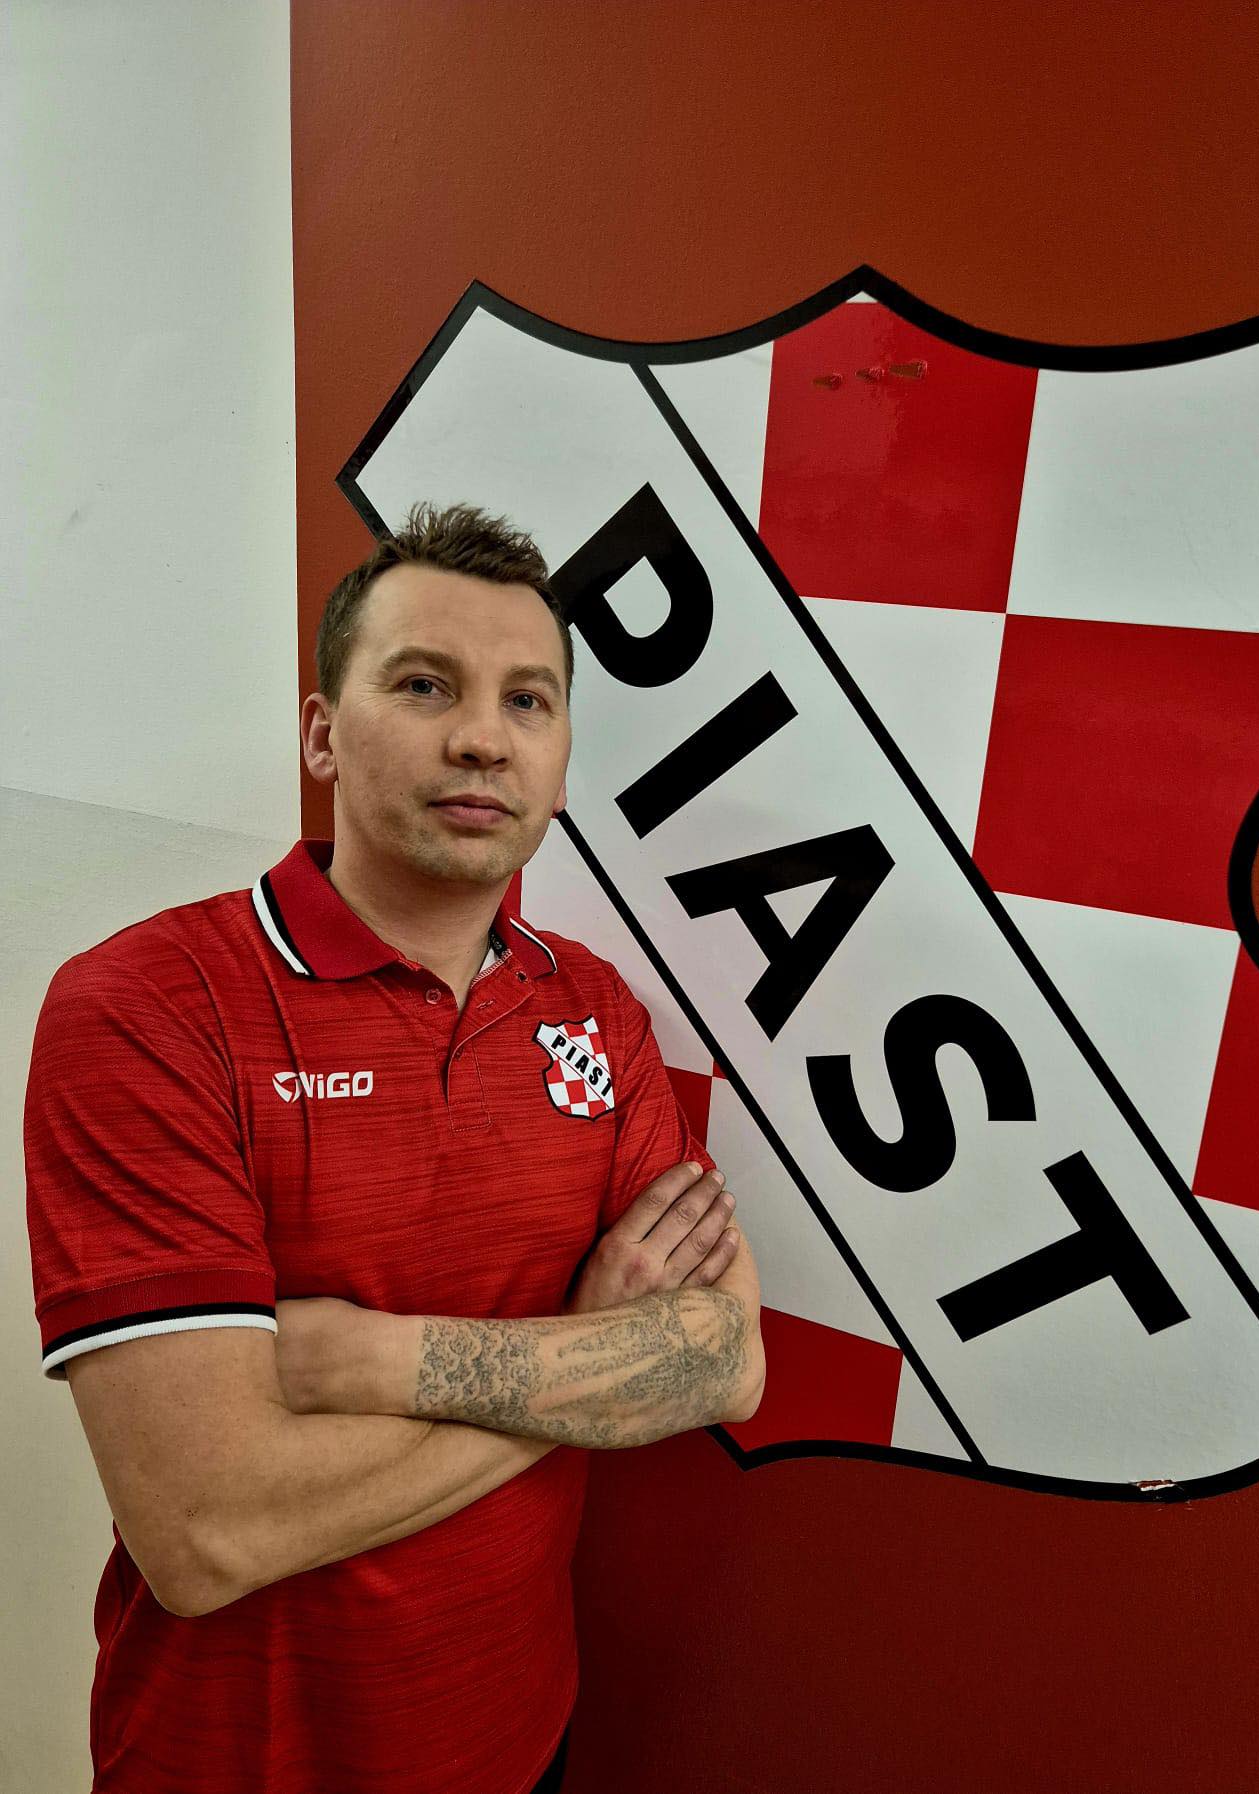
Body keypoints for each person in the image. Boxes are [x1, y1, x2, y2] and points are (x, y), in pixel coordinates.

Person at [23, 501, 765, 1794]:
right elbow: (210, 1528)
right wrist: (585, 1364)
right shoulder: (148, 1006)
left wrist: (376, 1356)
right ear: (322, 732)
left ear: (561, 759)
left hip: (520, 1735)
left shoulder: (594, 1008)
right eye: (425, 684)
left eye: (528, 700)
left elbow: (724, 1361)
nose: (482, 735)